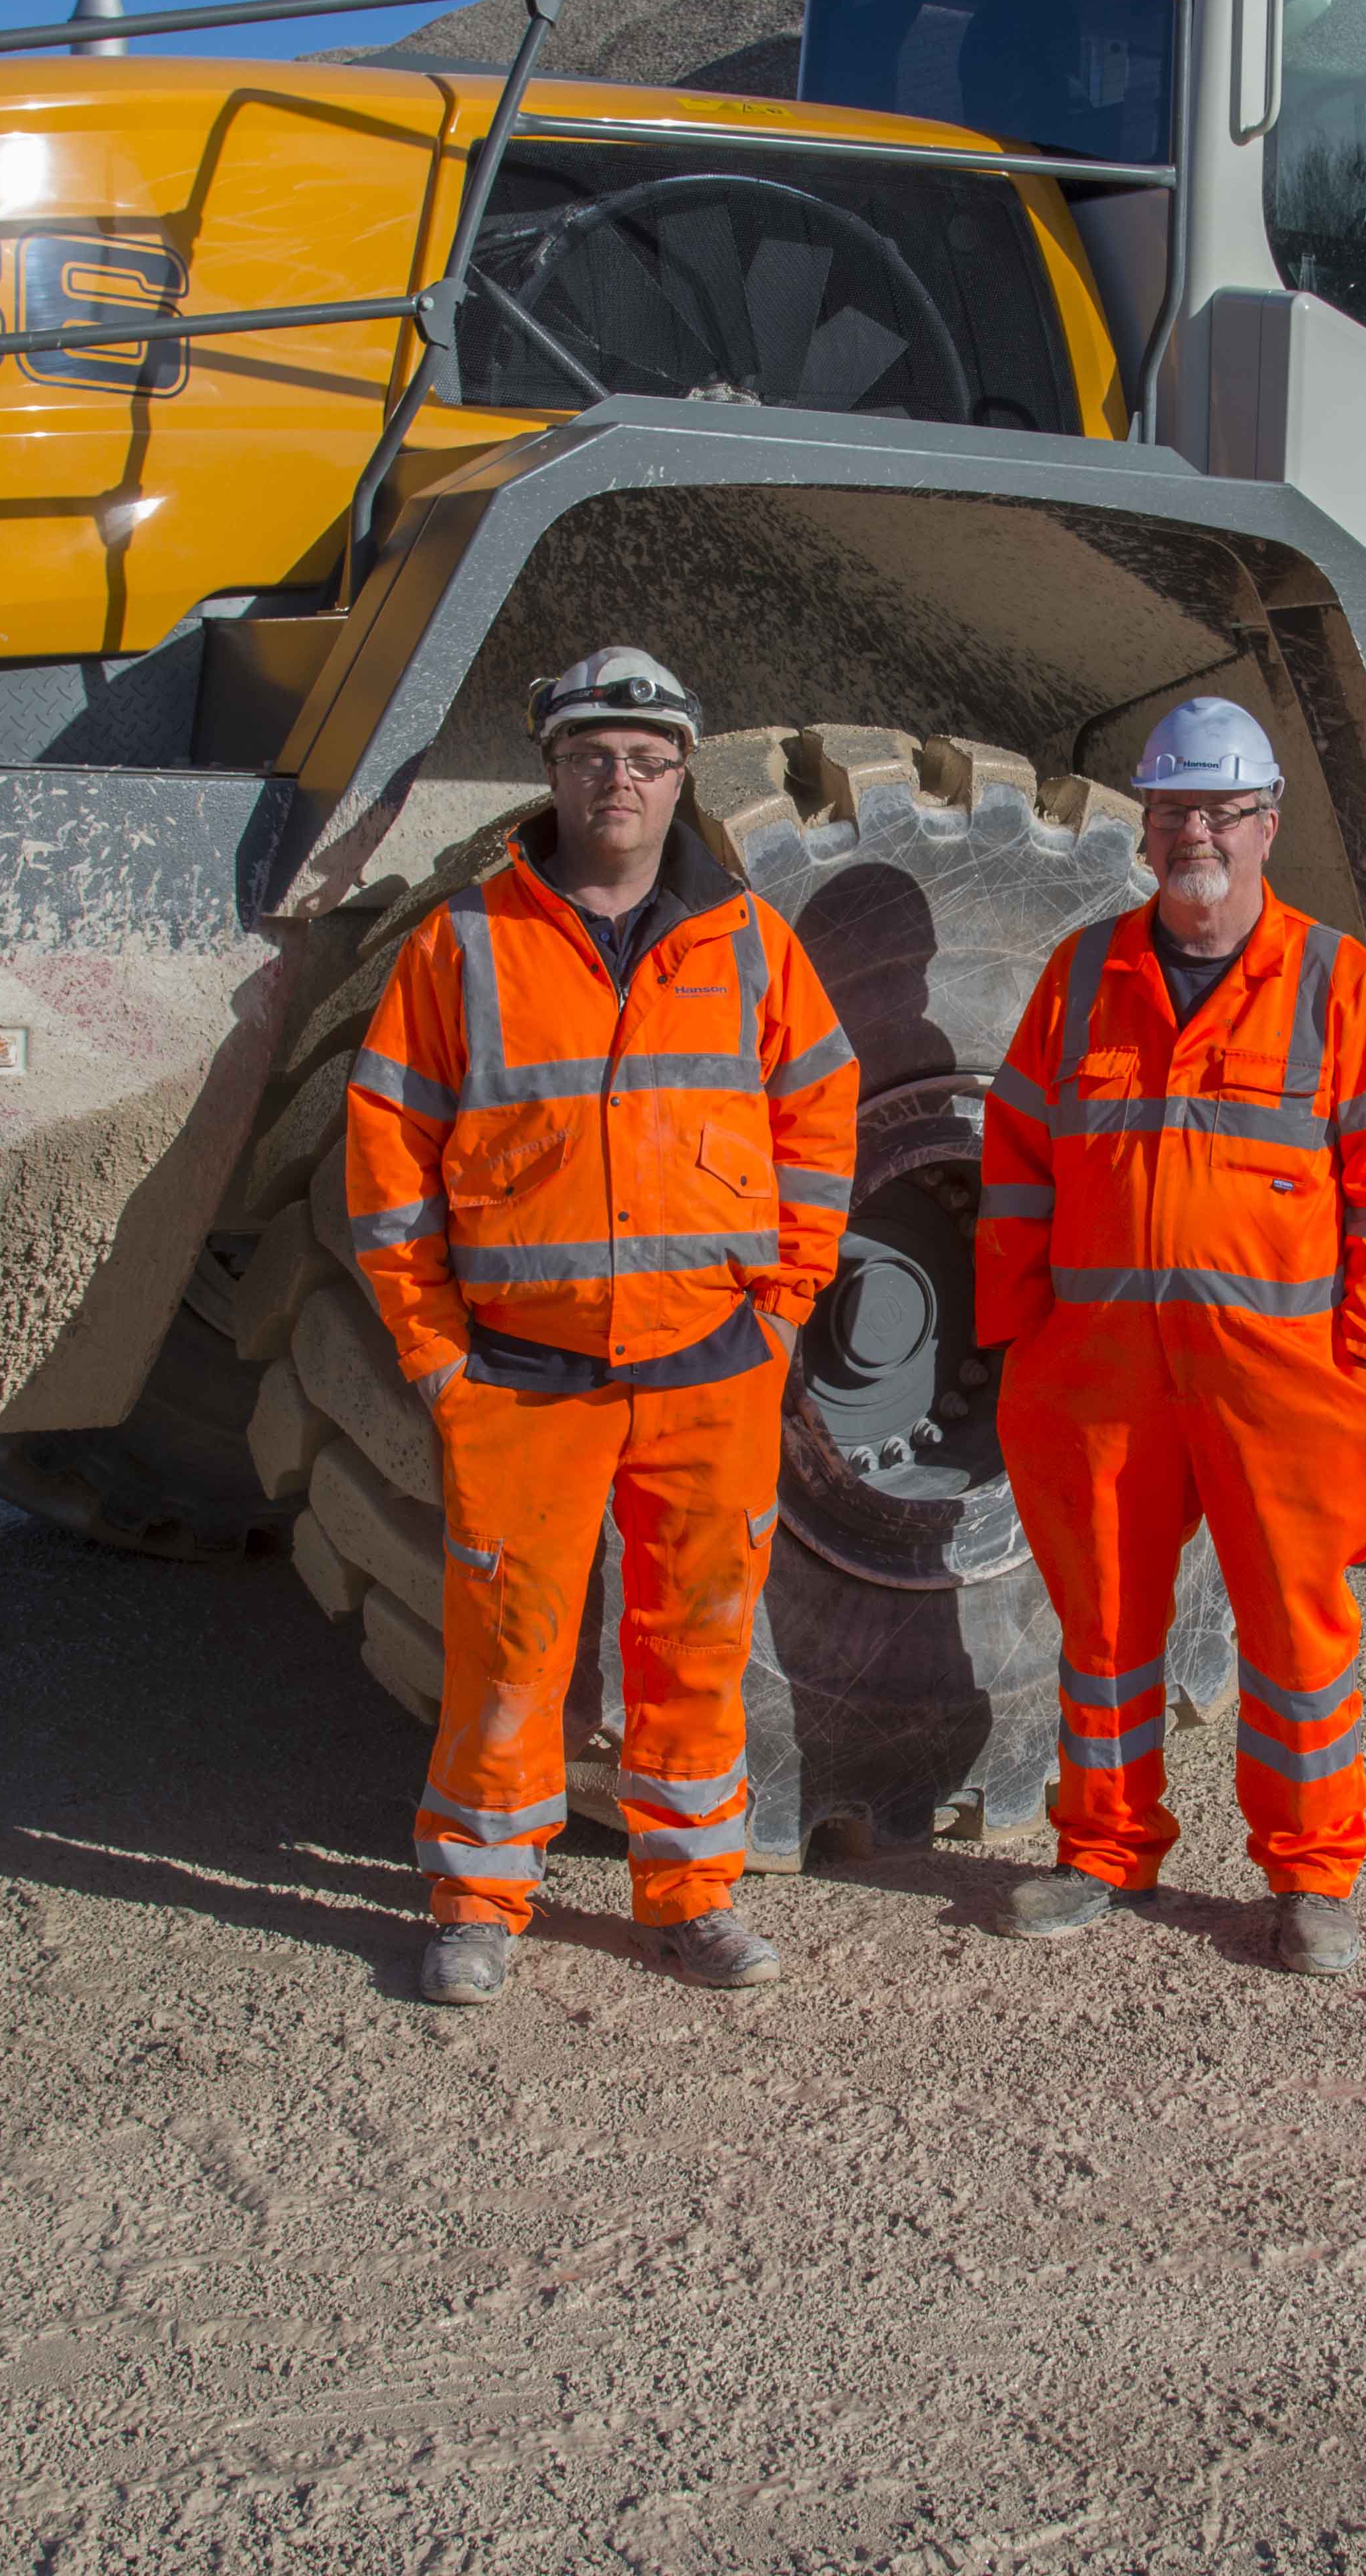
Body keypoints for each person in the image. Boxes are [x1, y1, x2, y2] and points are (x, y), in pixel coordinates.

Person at [343, 645, 858, 2007]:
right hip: (519, 1371)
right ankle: (479, 1897)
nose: (614, 778)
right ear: (552, 772)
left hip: (710, 1363)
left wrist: (784, 1303)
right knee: (507, 1644)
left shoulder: (749, 944)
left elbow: (818, 1114)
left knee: (694, 1636)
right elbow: (387, 1158)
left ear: (680, 774)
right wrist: (433, 1351)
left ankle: (688, 1894)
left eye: (641, 755)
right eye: (588, 754)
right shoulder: (464, 943)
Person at [970, 694, 1366, 1976]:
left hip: (1284, 1382)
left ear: (1265, 824)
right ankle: (1103, 1851)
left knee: (1293, 1634)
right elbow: (1014, 1162)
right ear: (1146, 826)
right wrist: (1021, 1333)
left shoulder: (1336, 980)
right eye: (1172, 811)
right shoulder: (1080, 976)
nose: (1194, 836)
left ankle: (1310, 1875)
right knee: (1104, 1623)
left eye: (1220, 811)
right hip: (1100, 1374)